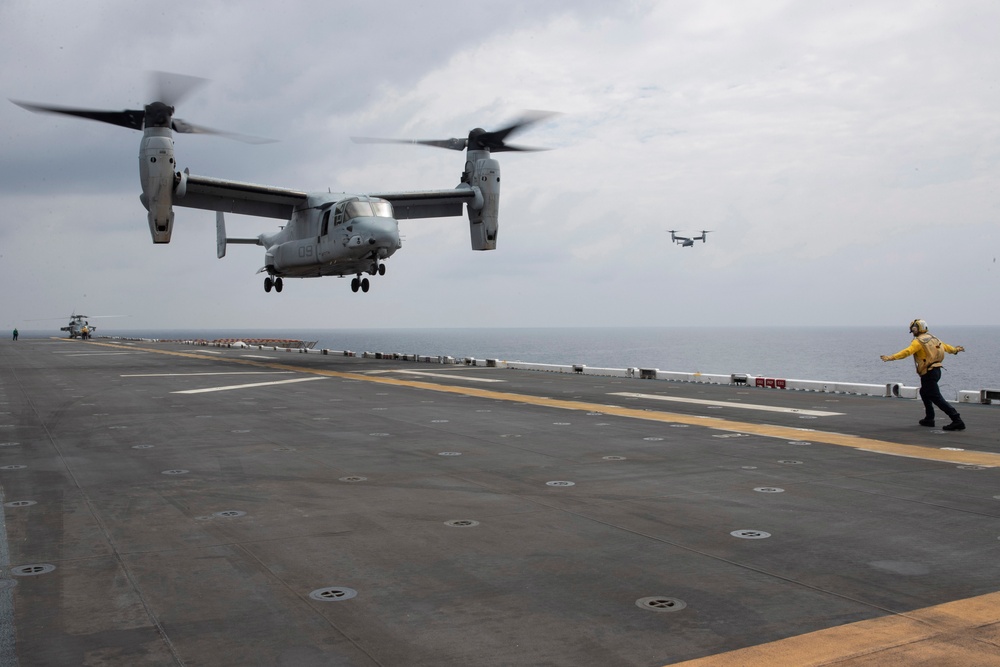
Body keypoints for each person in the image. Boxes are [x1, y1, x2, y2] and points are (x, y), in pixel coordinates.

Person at [881, 319, 965, 431]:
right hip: (936, 371)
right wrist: (956, 350)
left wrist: (891, 357)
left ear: (916, 328)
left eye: (913, 329)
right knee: (924, 392)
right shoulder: (934, 339)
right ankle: (929, 419)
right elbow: (946, 347)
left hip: (928, 372)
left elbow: (907, 352)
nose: (912, 331)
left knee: (936, 397)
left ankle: (957, 420)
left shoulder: (918, 342)